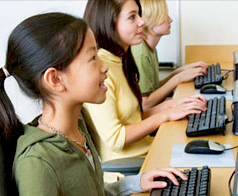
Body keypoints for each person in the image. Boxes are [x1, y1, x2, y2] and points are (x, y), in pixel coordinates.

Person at [0, 12, 187, 196]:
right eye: (93, 58)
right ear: (56, 80)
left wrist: (135, 183)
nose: (104, 67)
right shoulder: (38, 164)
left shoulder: (78, 126)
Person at [83, 0, 207, 163]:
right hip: (131, 165)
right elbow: (115, 139)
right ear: (109, 22)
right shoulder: (101, 70)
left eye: (139, 15)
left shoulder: (120, 60)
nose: (142, 22)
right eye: (132, 17)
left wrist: (175, 105)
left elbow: (134, 117)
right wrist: (166, 114)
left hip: (148, 150)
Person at [131, 0, 209, 110]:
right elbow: (145, 103)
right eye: (165, 16)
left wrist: (179, 72)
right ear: (151, 22)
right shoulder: (140, 53)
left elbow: (153, 89)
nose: (170, 20)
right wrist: (177, 79)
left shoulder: (149, 48)